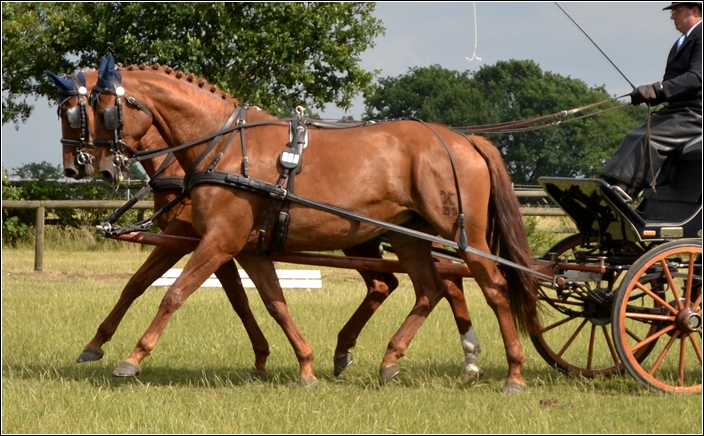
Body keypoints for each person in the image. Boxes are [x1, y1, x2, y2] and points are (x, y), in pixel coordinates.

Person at [600, 1, 702, 203]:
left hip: (696, 112)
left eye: (677, 11)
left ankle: (625, 189)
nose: (672, 17)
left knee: (651, 137)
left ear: (696, 11)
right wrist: (651, 96)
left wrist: (658, 89)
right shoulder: (683, 41)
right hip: (679, 110)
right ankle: (607, 180)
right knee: (635, 133)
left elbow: (698, 77)